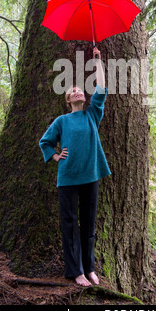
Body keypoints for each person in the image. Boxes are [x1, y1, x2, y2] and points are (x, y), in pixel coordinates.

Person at [39, 47, 111, 287]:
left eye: (80, 89)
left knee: (88, 223)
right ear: (69, 100)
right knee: (70, 225)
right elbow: (45, 142)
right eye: (73, 91)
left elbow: (101, 88)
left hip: (91, 175)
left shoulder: (92, 115)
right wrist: (56, 156)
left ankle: (89, 268)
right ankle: (75, 271)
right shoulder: (62, 121)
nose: (78, 91)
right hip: (68, 177)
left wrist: (98, 61)